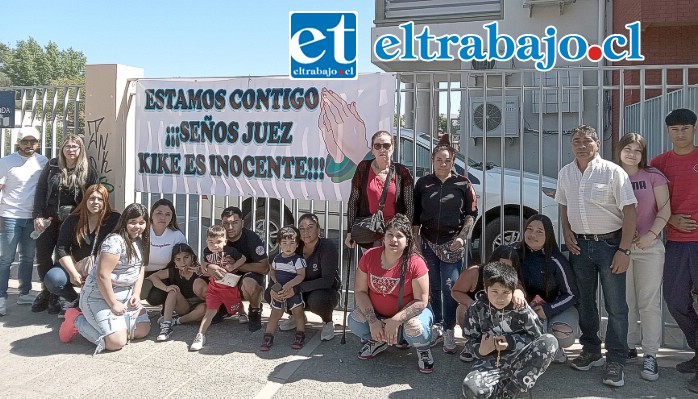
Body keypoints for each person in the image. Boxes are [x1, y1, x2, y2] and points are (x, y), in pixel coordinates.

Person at [555, 124, 637, 387]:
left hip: (610, 245)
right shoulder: (566, 173)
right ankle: (591, 349)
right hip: (580, 248)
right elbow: (564, 205)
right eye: (576, 140)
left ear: (597, 144)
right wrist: (567, 232)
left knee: (616, 307)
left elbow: (630, 211)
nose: (581, 145)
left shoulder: (613, 172)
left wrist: (624, 250)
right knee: (585, 302)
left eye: (587, 141)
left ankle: (616, 359)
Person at [413, 134, 478, 353]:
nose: (443, 164)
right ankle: (437, 326)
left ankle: (450, 329)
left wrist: (462, 237)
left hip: (453, 244)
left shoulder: (463, 183)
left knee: (451, 287)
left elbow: (471, 214)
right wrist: (415, 242)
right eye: (439, 159)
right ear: (432, 160)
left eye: (447, 160)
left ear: (453, 162)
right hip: (428, 242)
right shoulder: (423, 184)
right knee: (432, 286)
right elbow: (414, 217)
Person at [347, 214, 435, 373]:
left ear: (407, 241)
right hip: (379, 316)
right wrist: (373, 320)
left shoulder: (416, 262)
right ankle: (379, 340)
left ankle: (422, 349)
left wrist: (396, 320)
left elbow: (421, 301)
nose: (394, 240)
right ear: (383, 238)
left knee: (416, 328)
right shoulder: (369, 256)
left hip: (407, 317)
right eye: (390, 235)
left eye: (399, 236)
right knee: (354, 320)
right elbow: (360, 292)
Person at [59, 203, 151, 354]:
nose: (137, 226)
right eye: (132, 222)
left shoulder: (141, 240)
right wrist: (113, 303)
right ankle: (76, 320)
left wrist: (136, 294)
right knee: (116, 342)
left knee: (142, 330)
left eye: (141, 222)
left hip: (125, 295)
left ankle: (112, 325)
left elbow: (140, 268)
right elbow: (102, 274)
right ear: (124, 222)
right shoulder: (115, 241)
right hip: (99, 296)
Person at [649, 108, 698, 392]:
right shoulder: (659, 163)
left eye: (685, 128)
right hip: (678, 243)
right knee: (676, 300)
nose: (680, 134)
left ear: (694, 129)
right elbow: (648, 202)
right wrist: (669, 219)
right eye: (675, 129)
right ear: (668, 132)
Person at [616, 132, 671, 381]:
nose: (632, 154)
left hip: (649, 248)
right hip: (621, 249)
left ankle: (650, 354)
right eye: (628, 148)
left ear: (643, 154)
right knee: (624, 302)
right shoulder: (612, 176)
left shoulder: (653, 176)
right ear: (619, 150)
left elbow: (665, 210)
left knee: (648, 303)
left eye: (637, 150)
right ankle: (628, 348)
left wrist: (651, 235)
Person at [461, 261, 558, 399]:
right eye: (494, 291)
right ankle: (502, 386)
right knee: (471, 389)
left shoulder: (521, 308)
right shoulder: (476, 309)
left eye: (506, 292)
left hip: (521, 359)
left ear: (513, 291)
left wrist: (511, 342)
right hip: (492, 361)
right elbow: (470, 340)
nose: (500, 298)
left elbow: (538, 338)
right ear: (485, 288)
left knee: (550, 341)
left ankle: (516, 388)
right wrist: (480, 350)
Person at [32, 135, 99, 314]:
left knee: (62, 254)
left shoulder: (88, 169)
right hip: (49, 218)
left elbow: (93, 195)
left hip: (72, 221)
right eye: (67, 146)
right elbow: (41, 190)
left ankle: (57, 294)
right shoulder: (53, 165)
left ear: (81, 149)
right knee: (43, 254)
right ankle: (46, 292)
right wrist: (38, 215)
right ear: (62, 149)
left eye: (75, 147)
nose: (71, 150)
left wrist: (86, 221)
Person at [45, 184, 120, 317]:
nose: (95, 202)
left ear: (105, 201)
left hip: (101, 268)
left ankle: (94, 301)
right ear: (85, 200)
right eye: (91, 198)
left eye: (100, 199)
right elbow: (62, 248)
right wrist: (73, 272)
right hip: (77, 266)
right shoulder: (73, 220)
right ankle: (76, 299)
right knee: (53, 279)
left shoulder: (114, 219)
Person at [514, 214, 580, 365]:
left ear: (548, 235)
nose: (533, 235)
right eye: (529, 229)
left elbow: (571, 294)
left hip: (554, 308)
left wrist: (548, 309)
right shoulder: (514, 252)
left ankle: (555, 347)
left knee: (563, 333)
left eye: (539, 232)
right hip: (524, 308)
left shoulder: (556, 260)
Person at [0, 127, 48, 316]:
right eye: (25, 141)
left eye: (33, 141)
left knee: (28, 257)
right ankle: (1, 297)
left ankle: (25, 292)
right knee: (6, 259)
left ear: (38, 143)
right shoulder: (6, 162)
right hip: (10, 216)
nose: (29, 145)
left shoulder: (42, 162)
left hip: (32, 218)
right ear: (18, 142)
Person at [452, 245, 526, 362]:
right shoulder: (475, 272)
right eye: (500, 265)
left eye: (508, 267)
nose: (503, 271)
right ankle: (471, 345)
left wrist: (518, 293)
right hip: (478, 318)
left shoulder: (512, 279)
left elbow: (519, 290)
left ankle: (503, 345)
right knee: (462, 309)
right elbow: (455, 291)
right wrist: (472, 304)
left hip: (500, 321)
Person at [273, 213, 341, 341]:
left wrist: (297, 288)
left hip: (324, 291)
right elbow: (280, 268)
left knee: (317, 299)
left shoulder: (327, 246)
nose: (306, 231)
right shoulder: (295, 246)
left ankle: (328, 322)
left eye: (310, 227)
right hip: (299, 290)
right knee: (271, 293)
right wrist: (276, 287)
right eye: (302, 228)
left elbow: (327, 281)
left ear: (318, 229)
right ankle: (296, 316)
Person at [345, 130, 414, 248]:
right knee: (372, 265)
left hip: (394, 234)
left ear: (393, 148)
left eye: (386, 146)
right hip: (370, 231)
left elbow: (409, 205)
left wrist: (404, 231)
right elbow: (353, 201)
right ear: (372, 150)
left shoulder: (402, 172)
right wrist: (350, 232)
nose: (382, 149)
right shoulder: (363, 168)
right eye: (377, 146)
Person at [206, 206, 269, 332]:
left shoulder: (251, 238)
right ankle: (223, 308)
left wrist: (236, 265)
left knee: (249, 283)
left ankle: (255, 311)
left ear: (242, 223)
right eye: (226, 223)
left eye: (235, 223)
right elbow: (204, 258)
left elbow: (264, 267)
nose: (230, 227)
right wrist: (209, 267)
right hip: (225, 278)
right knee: (201, 282)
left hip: (247, 275)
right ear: (221, 223)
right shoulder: (218, 237)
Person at [190, 225, 246, 351]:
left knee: (236, 304)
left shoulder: (230, 251)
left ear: (225, 241)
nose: (214, 245)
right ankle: (200, 335)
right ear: (206, 242)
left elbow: (243, 258)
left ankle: (242, 312)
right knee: (209, 312)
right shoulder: (206, 252)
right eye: (211, 242)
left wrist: (234, 266)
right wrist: (205, 265)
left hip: (229, 287)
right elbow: (204, 262)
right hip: (214, 288)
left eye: (219, 242)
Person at [261, 226, 307, 351]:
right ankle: (268, 335)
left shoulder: (298, 260)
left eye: (292, 243)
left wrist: (290, 285)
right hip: (279, 291)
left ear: (297, 244)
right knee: (275, 313)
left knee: (298, 312)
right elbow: (272, 272)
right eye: (284, 243)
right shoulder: (277, 258)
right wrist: (276, 283)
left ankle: (300, 333)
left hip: (293, 292)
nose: (288, 247)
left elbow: (301, 275)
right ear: (280, 244)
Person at [149, 243, 208, 341]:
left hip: (199, 305)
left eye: (186, 257)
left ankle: (176, 321)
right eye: (178, 259)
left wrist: (202, 272)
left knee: (203, 309)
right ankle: (166, 325)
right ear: (174, 261)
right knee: (173, 289)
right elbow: (153, 277)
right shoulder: (173, 271)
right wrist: (166, 288)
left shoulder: (198, 270)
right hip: (183, 306)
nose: (183, 262)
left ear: (192, 257)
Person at [141, 198, 187, 307]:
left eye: (167, 214)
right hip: (140, 272)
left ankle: (167, 310)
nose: (163, 217)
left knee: (155, 298)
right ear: (151, 215)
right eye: (159, 213)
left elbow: (186, 256)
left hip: (162, 274)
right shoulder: (142, 231)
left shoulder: (176, 235)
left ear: (172, 218)